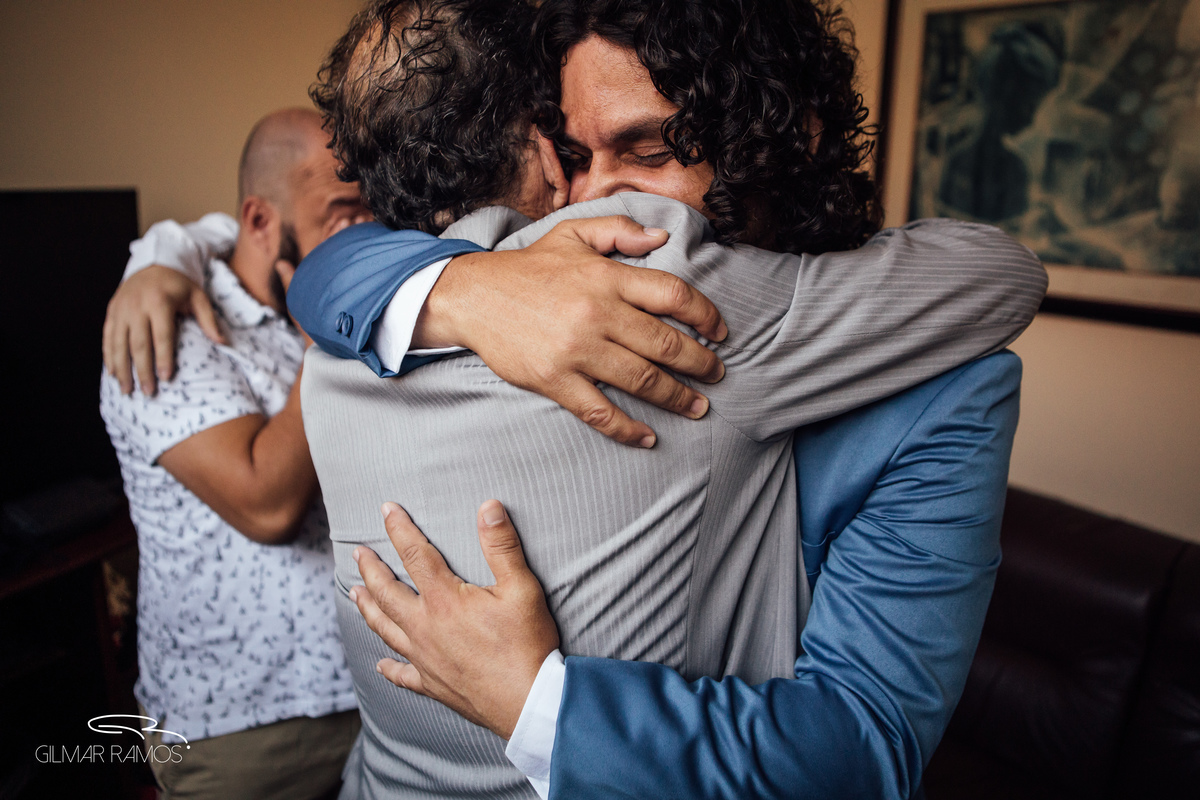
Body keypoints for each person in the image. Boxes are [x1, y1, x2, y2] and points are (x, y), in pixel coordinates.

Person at [284, 1, 1044, 798]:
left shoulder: (949, 388)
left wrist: (538, 704)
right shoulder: (508, 284)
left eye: (645, 151)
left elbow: (862, 749)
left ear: (787, 139)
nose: (591, 198)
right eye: (576, 155)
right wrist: (461, 287)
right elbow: (342, 265)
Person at [98, 108, 370, 800]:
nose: (363, 238)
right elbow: (265, 502)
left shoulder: (293, 314)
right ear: (259, 222)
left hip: (370, 697)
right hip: (244, 732)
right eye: (342, 216)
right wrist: (330, 340)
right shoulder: (167, 329)